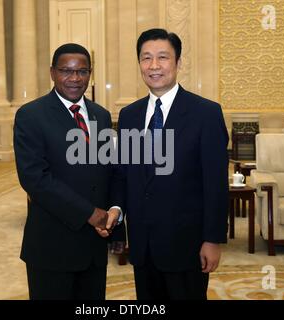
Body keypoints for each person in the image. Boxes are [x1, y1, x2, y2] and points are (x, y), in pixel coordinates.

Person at [111, 28, 229, 300]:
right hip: (142, 244)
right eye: (146, 58)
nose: (154, 66)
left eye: (162, 57)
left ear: (178, 62)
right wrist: (117, 211)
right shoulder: (129, 115)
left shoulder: (206, 113)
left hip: (187, 245)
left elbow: (215, 184)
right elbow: (123, 173)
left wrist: (212, 239)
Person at [13, 43, 120, 300]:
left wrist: (115, 211)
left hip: (94, 247)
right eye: (66, 71)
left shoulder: (101, 116)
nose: (75, 78)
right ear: (52, 72)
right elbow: (35, 179)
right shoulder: (31, 115)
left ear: (90, 74)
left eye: (82, 72)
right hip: (52, 247)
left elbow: (111, 170)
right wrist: (89, 213)